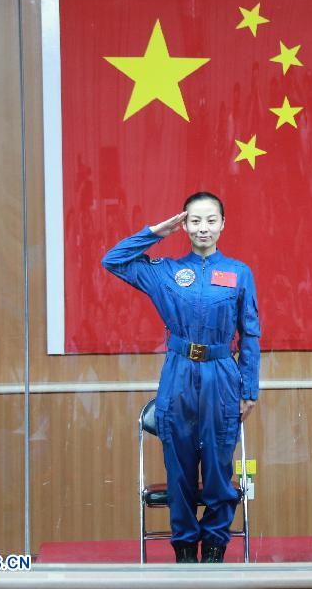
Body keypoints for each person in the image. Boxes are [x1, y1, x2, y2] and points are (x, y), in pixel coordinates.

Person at [102, 192, 260, 563]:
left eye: (211, 220)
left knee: (220, 469)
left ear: (223, 224)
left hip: (223, 374)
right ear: (184, 225)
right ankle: (186, 549)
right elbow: (114, 260)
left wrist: (249, 387)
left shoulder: (239, 273)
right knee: (180, 468)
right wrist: (155, 232)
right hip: (178, 374)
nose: (203, 228)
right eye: (195, 221)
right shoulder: (166, 272)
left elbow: (250, 332)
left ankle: (216, 548)